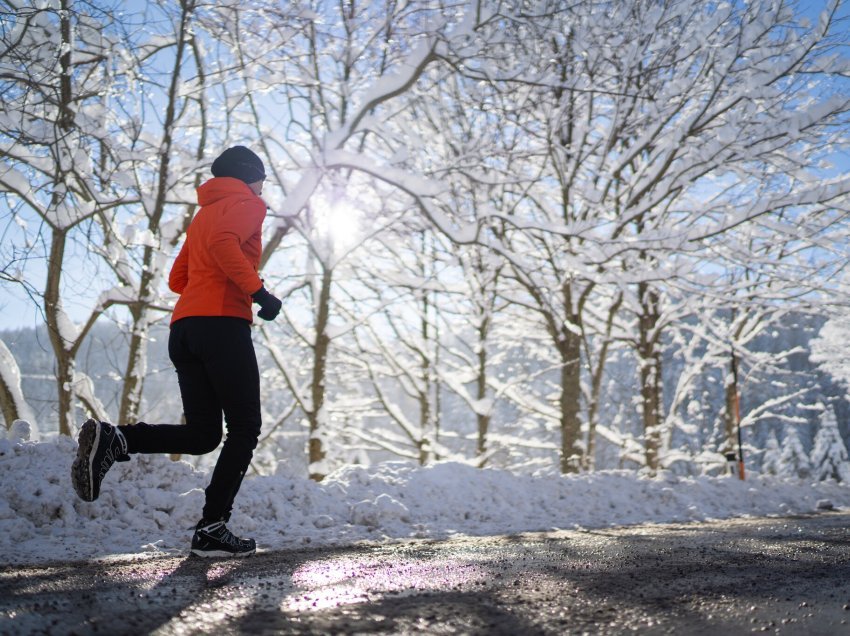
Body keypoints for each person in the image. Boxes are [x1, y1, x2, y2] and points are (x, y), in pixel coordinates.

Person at [71, 145, 282, 558]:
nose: (262, 186)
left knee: (204, 435)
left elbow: (177, 277)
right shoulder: (248, 204)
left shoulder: (204, 214)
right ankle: (212, 527)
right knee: (245, 427)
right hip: (222, 326)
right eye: (261, 178)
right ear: (248, 175)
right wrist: (258, 292)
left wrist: (212, 291)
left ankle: (117, 439)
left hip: (185, 329)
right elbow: (224, 247)